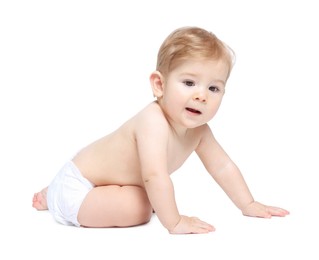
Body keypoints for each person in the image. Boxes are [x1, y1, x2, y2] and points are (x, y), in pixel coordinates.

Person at [32, 26, 289, 234]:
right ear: (159, 85)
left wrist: (248, 204)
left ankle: (51, 192)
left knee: (148, 198)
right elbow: (154, 176)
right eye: (189, 82)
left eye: (214, 88)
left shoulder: (200, 131)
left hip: (106, 180)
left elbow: (223, 167)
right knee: (141, 208)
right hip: (81, 186)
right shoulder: (153, 121)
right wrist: (174, 221)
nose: (202, 96)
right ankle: (56, 196)